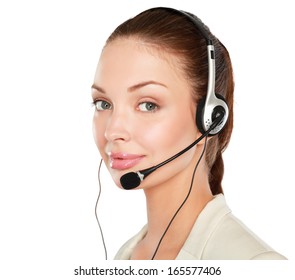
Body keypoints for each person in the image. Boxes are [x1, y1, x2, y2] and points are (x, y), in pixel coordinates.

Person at [91, 7, 286, 260]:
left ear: (209, 118)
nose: (112, 130)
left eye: (148, 105)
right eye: (103, 104)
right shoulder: (126, 255)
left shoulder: (255, 264)